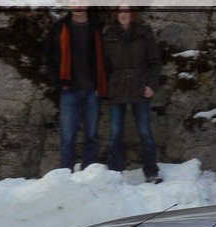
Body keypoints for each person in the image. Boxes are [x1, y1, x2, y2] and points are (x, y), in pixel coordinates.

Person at [103, 4, 163, 184]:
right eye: (120, 11)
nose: (123, 14)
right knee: (115, 133)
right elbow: (103, 66)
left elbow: (155, 62)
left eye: (127, 11)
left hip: (139, 89)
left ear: (132, 13)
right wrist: (107, 86)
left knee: (145, 133)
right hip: (117, 89)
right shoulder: (108, 34)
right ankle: (114, 174)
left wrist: (151, 86)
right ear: (116, 14)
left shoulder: (144, 33)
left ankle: (151, 172)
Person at [45, 2, 108, 172]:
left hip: (92, 91)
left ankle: (89, 175)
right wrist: (59, 83)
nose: (78, 6)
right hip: (69, 91)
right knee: (67, 138)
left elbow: (108, 58)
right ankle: (66, 177)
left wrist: (101, 83)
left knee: (92, 137)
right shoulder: (59, 27)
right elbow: (49, 57)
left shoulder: (98, 28)